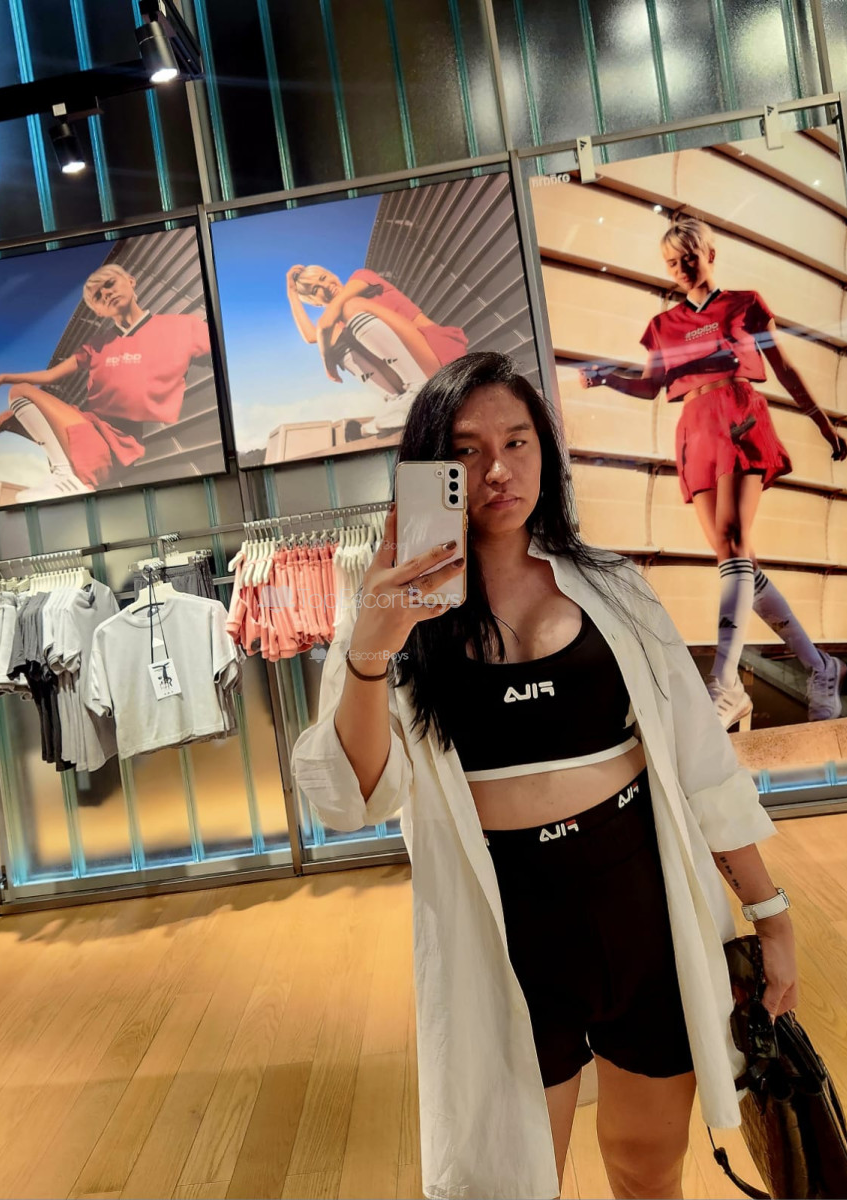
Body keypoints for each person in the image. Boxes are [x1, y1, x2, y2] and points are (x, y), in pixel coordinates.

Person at [291, 352, 798, 1200]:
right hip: (503, 930)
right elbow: (353, 796)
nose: (496, 469)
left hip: (640, 912)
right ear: (428, 469)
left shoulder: (614, 589)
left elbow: (699, 765)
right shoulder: (390, 615)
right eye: (465, 451)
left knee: (648, 1168)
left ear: (543, 452)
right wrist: (372, 645)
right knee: (509, 1183)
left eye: (516, 442)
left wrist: (769, 913)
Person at [579, 215, 847, 727]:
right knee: (734, 556)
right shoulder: (663, 325)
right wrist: (607, 378)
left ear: (709, 253)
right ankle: (820, 666)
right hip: (694, 429)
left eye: (689, 256)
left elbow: (784, 366)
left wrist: (822, 423)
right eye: (671, 262)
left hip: (739, 414)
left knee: (732, 541)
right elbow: (649, 385)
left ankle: (724, 682)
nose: (681, 268)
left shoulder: (744, 304)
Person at [0, 262, 212, 502]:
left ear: (131, 281)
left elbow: (223, 349)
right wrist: (3, 378)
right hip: (89, 428)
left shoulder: (181, 327)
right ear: (98, 311)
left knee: (21, 393)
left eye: (110, 284)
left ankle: (65, 476)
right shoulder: (98, 345)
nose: (107, 294)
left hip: (111, 449)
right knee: (8, 416)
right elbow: (50, 376)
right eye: (98, 296)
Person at [286, 264, 468, 435]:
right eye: (315, 290)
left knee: (349, 307)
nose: (325, 286)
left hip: (435, 353)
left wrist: (328, 365)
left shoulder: (360, 277)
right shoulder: (340, 324)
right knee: (333, 338)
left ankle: (418, 387)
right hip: (407, 377)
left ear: (332, 275)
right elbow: (312, 336)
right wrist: (292, 293)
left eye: (323, 278)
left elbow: (324, 324)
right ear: (315, 303)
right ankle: (396, 400)